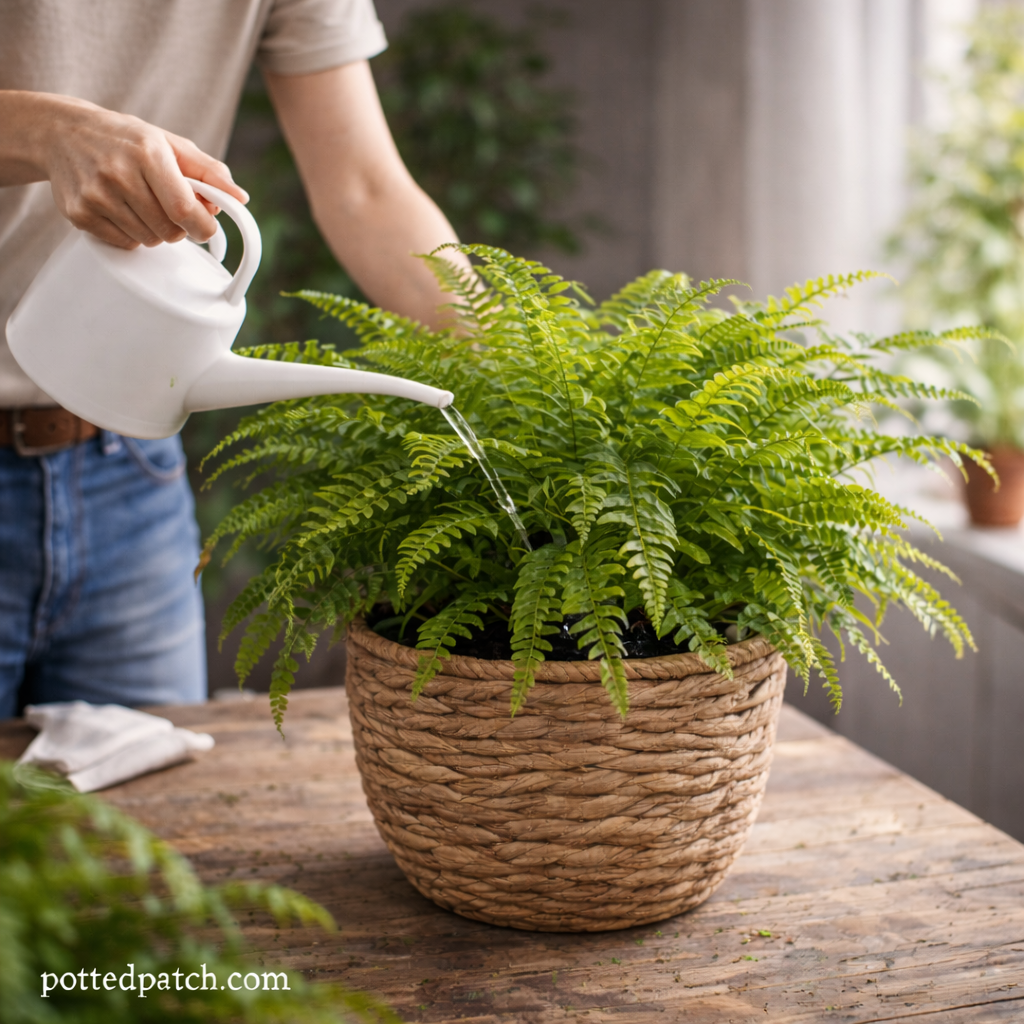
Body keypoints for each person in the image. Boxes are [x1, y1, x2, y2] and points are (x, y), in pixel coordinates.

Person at [0, 0, 469, 719]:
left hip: (125, 476)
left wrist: (528, 365)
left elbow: (366, 189)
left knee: (154, 810)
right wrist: (48, 131)